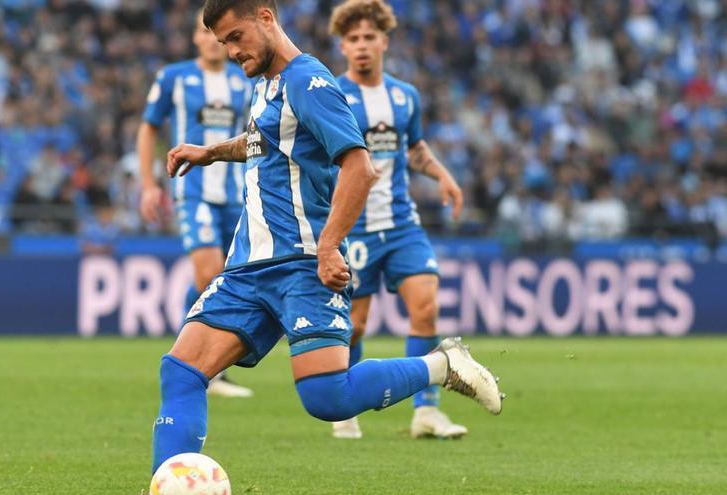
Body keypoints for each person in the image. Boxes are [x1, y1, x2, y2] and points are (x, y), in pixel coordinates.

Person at [151, 0, 504, 474]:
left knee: (326, 396)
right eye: (222, 43)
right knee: (181, 371)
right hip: (249, 267)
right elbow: (263, 141)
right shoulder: (266, 84)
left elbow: (359, 166)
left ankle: (441, 366)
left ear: (266, 18)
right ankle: (169, 482)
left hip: (301, 264)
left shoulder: (308, 81)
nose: (231, 51)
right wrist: (212, 151)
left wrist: (329, 245)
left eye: (236, 37)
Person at [328, 0, 468, 440]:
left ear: (384, 42)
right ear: (343, 47)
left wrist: (442, 174)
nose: (362, 46)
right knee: (357, 325)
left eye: (369, 37)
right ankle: (344, 403)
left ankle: (426, 411)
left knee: (426, 306)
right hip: (357, 227)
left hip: (403, 223)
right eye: (353, 39)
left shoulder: (406, 95)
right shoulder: (331, 94)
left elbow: (414, 148)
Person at [138, 10, 254, 398]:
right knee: (210, 273)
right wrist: (149, 184)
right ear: (195, 39)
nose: (210, 40)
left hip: (236, 193)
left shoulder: (244, 80)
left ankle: (189, 356)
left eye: (214, 34)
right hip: (194, 189)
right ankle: (208, 369)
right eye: (202, 32)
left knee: (222, 278)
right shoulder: (174, 77)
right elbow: (149, 126)